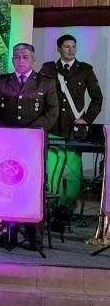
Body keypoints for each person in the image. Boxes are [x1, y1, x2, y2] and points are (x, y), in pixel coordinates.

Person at [0, 43, 59, 251]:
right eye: (17, 57)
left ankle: (34, 237)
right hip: (6, 146)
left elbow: (52, 113)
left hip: (31, 146)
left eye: (25, 57)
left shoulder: (46, 83)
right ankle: (3, 232)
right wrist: (4, 133)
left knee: (32, 189)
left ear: (33, 60)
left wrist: (27, 134)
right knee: (4, 186)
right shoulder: (1, 82)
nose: (20, 60)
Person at [39, 35, 103, 212]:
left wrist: (87, 120)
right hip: (52, 126)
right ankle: (52, 206)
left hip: (75, 128)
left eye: (73, 46)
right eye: (66, 46)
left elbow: (97, 98)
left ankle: (68, 207)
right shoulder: (48, 69)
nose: (70, 50)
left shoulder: (85, 70)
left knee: (73, 171)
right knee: (52, 169)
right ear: (59, 49)